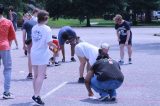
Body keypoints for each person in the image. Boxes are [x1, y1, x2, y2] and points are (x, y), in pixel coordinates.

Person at [31, 10, 57, 105]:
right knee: (41, 76)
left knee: (36, 75)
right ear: (45, 18)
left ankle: (36, 94)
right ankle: (36, 95)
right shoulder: (47, 29)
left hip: (34, 52)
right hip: (42, 53)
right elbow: (49, 43)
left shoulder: (34, 27)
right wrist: (55, 47)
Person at [0, 4, 16, 99]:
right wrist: (8, 47)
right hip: (4, 46)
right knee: (7, 69)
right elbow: (11, 37)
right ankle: (6, 92)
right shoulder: (8, 22)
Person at [22, 10, 38, 79]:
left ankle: (30, 73)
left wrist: (23, 45)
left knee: (30, 57)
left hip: (30, 41)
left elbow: (23, 34)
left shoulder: (25, 23)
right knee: (38, 56)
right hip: (37, 41)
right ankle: (42, 73)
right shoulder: (36, 22)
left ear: (28, 17)